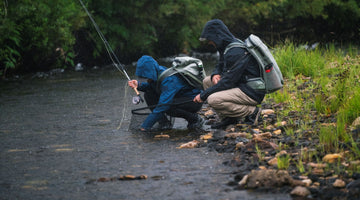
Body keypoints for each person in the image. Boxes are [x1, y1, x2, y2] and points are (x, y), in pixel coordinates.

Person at [193, 19, 264, 129]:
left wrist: (203, 95)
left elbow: (227, 83)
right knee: (207, 81)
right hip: (242, 85)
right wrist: (215, 74)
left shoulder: (235, 52)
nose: (209, 42)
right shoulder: (227, 46)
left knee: (213, 99)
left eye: (210, 39)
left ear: (217, 36)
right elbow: (221, 63)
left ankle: (252, 112)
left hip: (252, 91)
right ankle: (229, 118)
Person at [128, 55, 204, 132]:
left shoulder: (169, 80)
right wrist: (138, 85)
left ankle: (194, 119)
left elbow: (163, 105)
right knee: (149, 95)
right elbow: (153, 87)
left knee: (168, 106)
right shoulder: (157, 71)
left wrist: (145, 126)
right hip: (179, 97)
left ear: (151, 72)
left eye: (147, 77)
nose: (146, 79)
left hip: (194, 100)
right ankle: (164, 123)